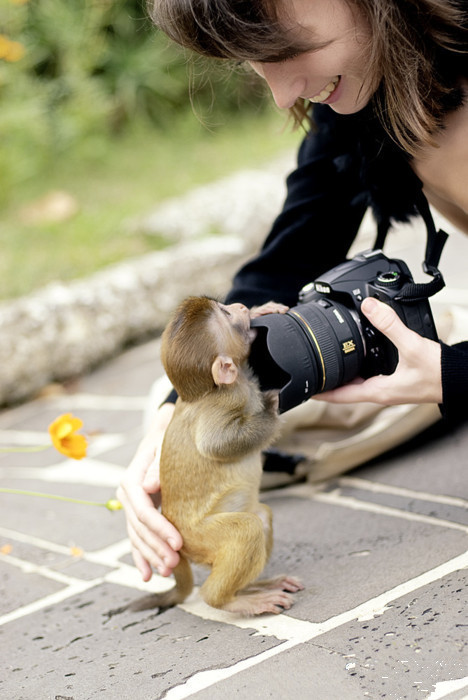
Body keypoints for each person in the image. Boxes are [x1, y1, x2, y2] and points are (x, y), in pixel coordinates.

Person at [117, 0, 468, 582]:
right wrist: (175, 420)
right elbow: (300, 242)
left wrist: (452, 376)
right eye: (257, 61)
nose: (283, 95)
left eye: (288, 50)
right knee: (214, 383)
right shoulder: (371, 80)